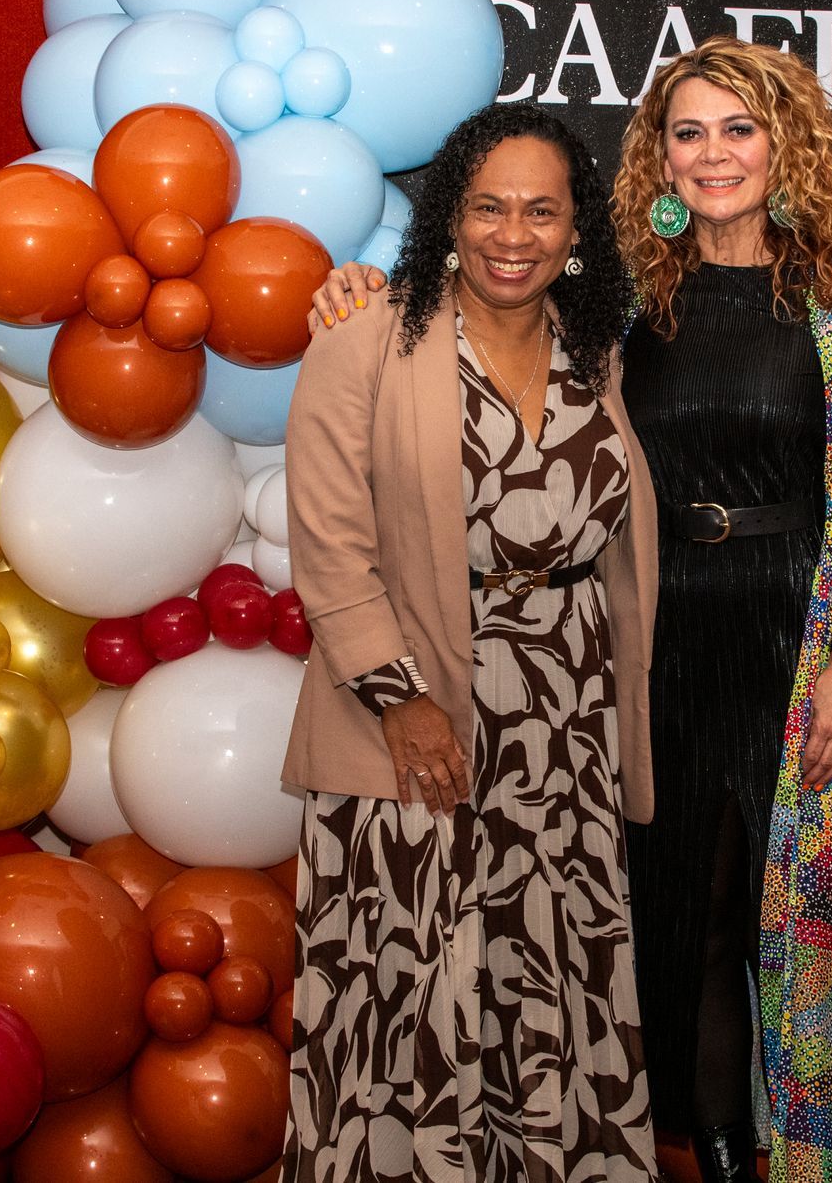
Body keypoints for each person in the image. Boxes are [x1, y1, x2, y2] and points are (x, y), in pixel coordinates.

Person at [312, 37, 832, 1183]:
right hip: (644, 643)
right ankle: (706, 1146)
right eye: (690, 131)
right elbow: (477, 302)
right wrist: (354, 279)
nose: (715, 155)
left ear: (785, 142)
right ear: (658, 155)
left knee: (802, 919)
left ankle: (804, 1161)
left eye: (740, 130)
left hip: (794, 637)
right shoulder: (617, 298)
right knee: (680, 914)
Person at [281, 102, 660, 1183]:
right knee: (410, 988)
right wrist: (403, 702)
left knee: (551, 973)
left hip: (566, 722)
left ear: (577, 228)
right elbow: (331, 550)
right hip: (409, 711)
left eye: (542, 210)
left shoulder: (599, 355)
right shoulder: (369, 339)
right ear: (450, 216)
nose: (514, 233)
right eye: (489, 206)